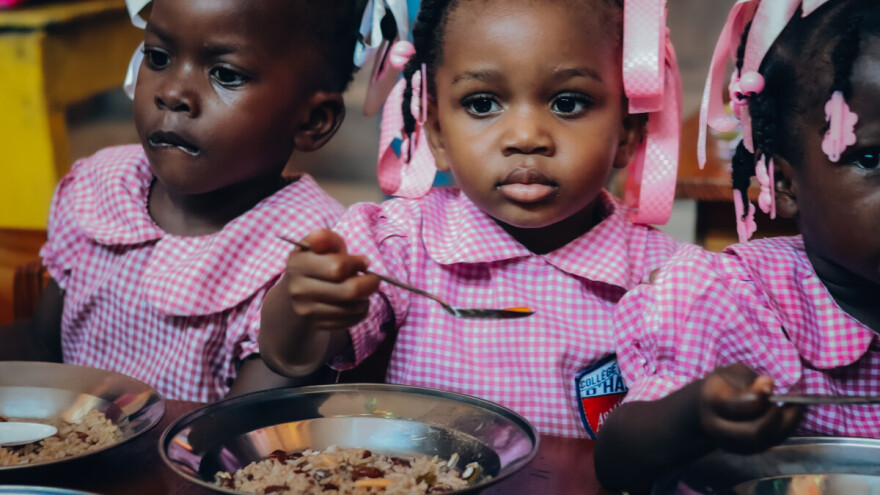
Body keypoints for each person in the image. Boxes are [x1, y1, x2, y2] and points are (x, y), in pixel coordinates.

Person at [260, 0, 683, 438]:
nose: (526, 137)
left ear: (628, 129)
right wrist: (303, 304)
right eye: (482, 104)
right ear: (438, 132)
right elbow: (292, 354)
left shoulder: (669, 281)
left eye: (568, 103)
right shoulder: (399, 242)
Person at [0, 0, 367, 402]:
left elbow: (233, 437)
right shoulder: (102, 189)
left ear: (312, 121)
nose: (172, 93)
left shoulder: (309, 257)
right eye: (158, 57)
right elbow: (41, 348)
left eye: (225, 74)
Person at [595, 0, 880, 492]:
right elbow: (618, 459)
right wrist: (696, 413)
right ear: (784, 182)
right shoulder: (732, 305)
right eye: (871, 157)